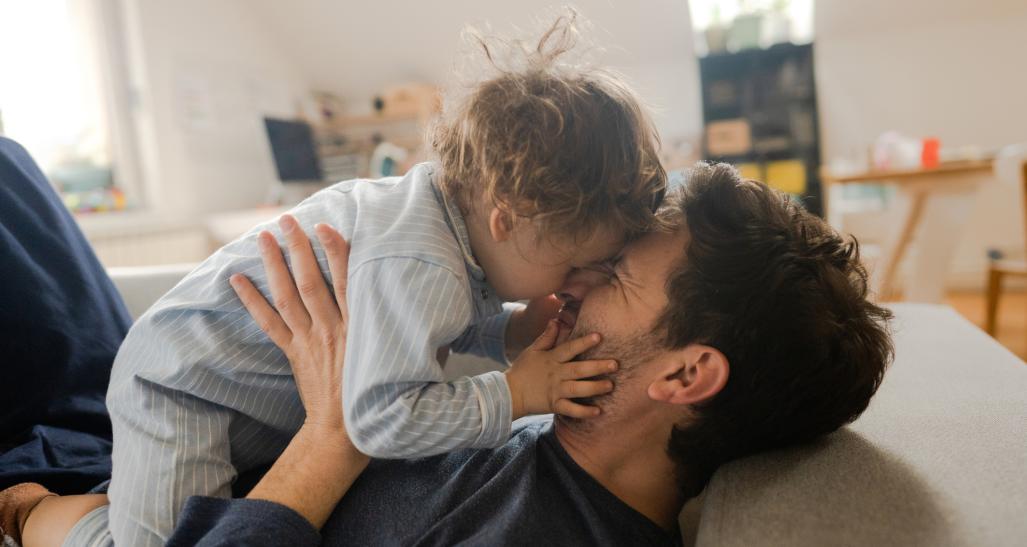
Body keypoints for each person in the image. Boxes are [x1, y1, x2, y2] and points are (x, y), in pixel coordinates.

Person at [4, 12, 668, 546]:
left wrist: (507, 332)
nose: (580, 282)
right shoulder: (421, 262)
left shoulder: (440, 219)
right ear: (506, 218)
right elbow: (377, 419)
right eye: (577, 262)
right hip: (186, 391)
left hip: (247, 398)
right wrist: (513, 394)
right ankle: (32, 512)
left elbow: (416, 326)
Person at [4, 162, 894, 545]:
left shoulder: (538, 529)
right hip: (172, 431)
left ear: (684, 374)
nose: (572, 281)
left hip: (152, 470)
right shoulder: (544, 424)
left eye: (614, 274)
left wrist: (333, 433)